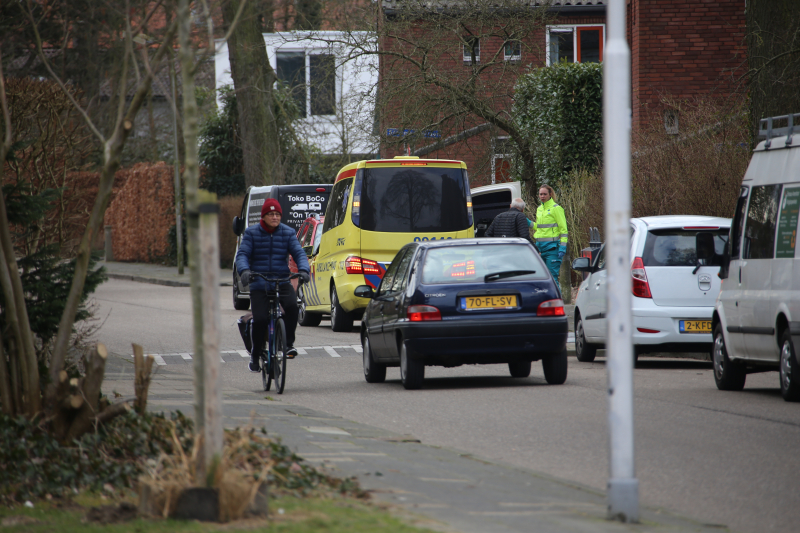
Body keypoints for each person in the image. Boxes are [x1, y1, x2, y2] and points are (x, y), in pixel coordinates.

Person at [235, 198, 310, 372]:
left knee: (292, 306)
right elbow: (243, 254)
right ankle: (255, 353)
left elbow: (298, 253)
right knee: (260, 319)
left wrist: (304, 270)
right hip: (259, 282)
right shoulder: (251, 233)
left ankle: (288, 343)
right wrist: (244, 270)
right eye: (271, 214)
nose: (275, 217)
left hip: (281, 280)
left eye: (277, 214)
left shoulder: (288, 233)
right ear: (263, 216)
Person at [532, 185, 568, 281]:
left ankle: (556, 296)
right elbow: (539, 227)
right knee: (541, 279)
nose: (542, 196)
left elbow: (563, 229)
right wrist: (529, 223)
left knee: (552, 279)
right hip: (539, 248)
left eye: (545, 194)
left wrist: (563, 246)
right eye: (541, 194)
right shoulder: (539, 209)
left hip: (552, 249)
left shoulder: (556, 208)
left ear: (550, 194)